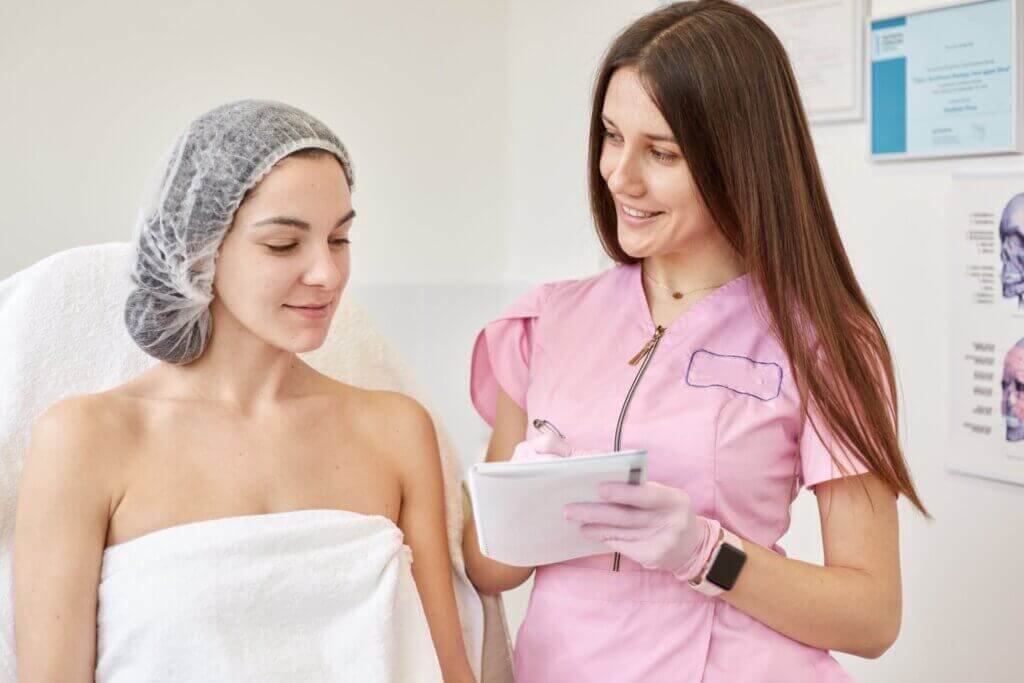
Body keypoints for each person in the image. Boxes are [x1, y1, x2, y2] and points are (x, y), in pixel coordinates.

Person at [462, 2, 927, 681]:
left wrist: (706, 552)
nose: (620, 175)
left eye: (662, 152)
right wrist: (531, 495)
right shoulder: (545, 324)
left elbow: (872, 614)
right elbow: (489, 567)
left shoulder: (823, 343)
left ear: (737, 160)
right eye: (612, 136)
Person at [14, 100, 474, 682]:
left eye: (339, 239)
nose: (327, 275)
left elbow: (450, 671)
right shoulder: (88, 440)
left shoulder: (396, 430)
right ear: (198, 248)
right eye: (284, 245)